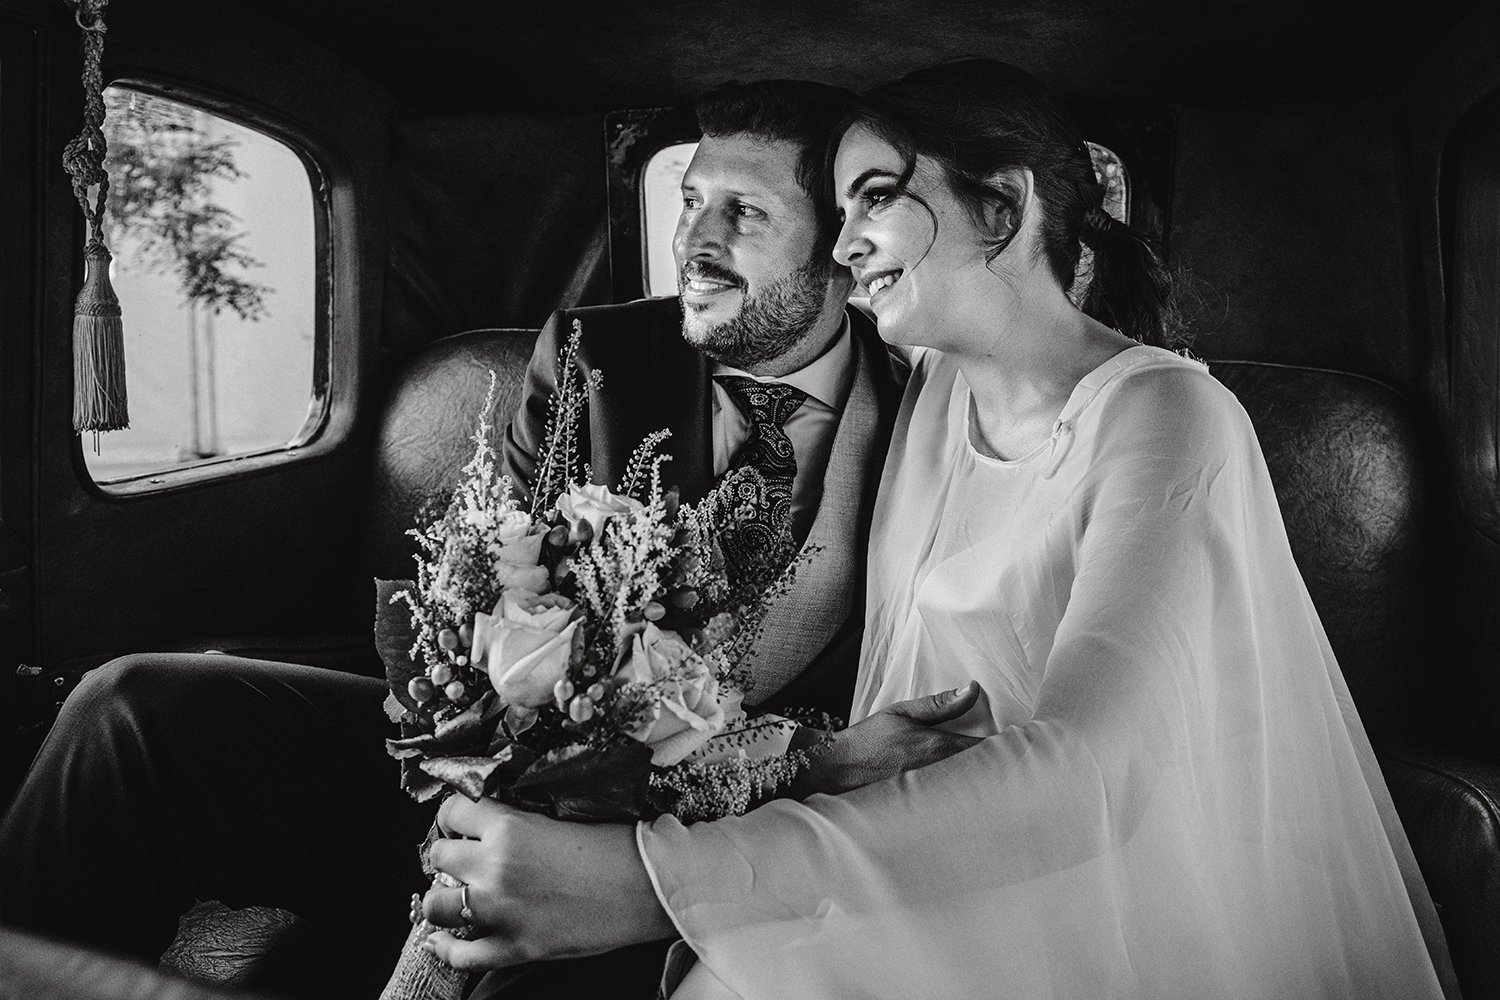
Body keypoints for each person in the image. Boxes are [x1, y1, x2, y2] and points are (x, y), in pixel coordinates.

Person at [412, 61, 1461, 999]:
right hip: (892, 849)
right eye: (834, 206)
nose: (845, 239)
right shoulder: (934, 393)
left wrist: (655, 883)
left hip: (1087, 877)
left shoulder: (1167, 416)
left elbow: (1093, 775)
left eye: (873, 199)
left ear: (1000, 211)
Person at [0, 78, 976, 1000]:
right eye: (691, 201)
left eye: (745, 214)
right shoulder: (593, 352)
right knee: (134, 708)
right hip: (506, 751)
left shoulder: (929, 412)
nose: (697, 241)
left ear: (844, 244)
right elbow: (504, 580)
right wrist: (505, 711)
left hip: (724, 830)